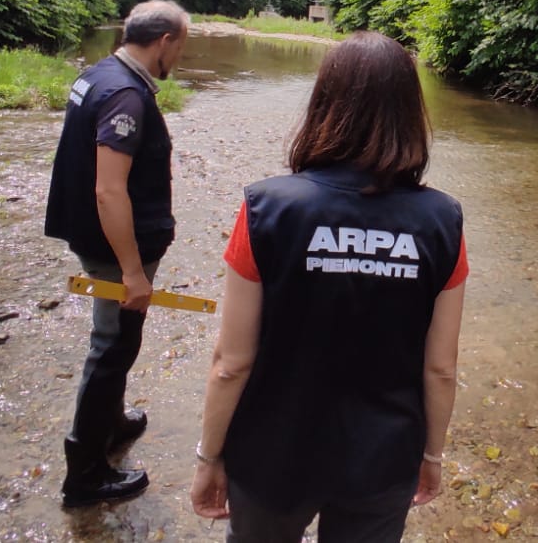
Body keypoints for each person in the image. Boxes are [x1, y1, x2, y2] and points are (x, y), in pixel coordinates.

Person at [190, 31, 469, 542]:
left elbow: (231, 363)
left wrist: (209, 456)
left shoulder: (266, 208)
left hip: (273, 453)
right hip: (383, 457)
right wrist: (432, 454)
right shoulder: (443, 221)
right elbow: (441, 367)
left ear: (325, 103)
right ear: (411, 113)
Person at [44, 0, 190, 508]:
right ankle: (85, 474)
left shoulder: (99, 74)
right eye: (181, 46)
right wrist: (132, 271)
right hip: (115, 246)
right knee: (113, 347)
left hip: (94, 235)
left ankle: (111, 421)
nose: (180, 57)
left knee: (116, 338)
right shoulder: (126, 96)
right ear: (164, 41)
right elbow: (109, 191)